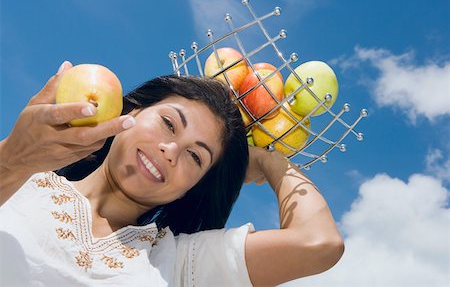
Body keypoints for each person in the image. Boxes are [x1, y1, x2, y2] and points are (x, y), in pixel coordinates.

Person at [0, 61, 344, 286]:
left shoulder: (178, 263)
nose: (171, 151)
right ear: (131, 110)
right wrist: (13, 159)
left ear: (192, 188)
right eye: (168, 123)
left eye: (195, 157)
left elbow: (318, 244)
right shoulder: (22, 181)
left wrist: (272, 161)